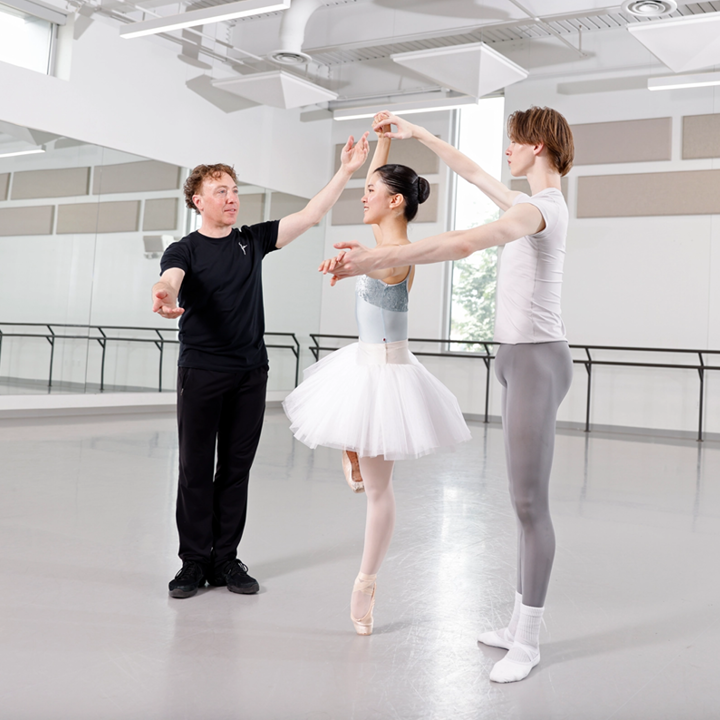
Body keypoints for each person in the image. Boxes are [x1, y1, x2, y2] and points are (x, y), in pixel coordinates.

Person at [324, 107, 574, 683]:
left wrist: (377, 256)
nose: (505, 153)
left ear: (536, 146)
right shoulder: (525, 201)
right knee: (520, 502)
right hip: (514, 358)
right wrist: (420, 135)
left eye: (513, 143)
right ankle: (516, 624)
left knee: (531, 505)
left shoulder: (540, 210)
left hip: (537, 359)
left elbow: (465, 244)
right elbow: (470, 171)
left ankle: (528, 641)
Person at [152, 133, 370, 599]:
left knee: (235, 469)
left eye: (234, 190)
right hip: (202, 371)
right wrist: (165, 296)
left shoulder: (252, 240)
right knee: (194, 468)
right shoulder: (184, 249)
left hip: (250, 372)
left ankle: (225, 560)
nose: (231, 198)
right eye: (220, 191)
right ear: (198, 200)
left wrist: (347, 170)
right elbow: (170, 279)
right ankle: (192, 563)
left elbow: (311, 215)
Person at [282, 115, 471, 636]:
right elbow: (382, 183)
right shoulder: (378, 230)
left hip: (389, 376)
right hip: (359, 365)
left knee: (379, 493)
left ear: (395, 203)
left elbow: (386, 268)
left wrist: (352, 265)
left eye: (370, 190)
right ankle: (353, 451)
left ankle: (366, 580)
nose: (362, 195)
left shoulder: (399, 254)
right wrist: (383, 136)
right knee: (358, 449)